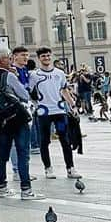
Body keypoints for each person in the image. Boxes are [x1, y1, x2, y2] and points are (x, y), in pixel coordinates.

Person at [0, 49, 42, 201]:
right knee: (23, 153)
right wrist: (16, 78)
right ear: (3, 60)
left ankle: (1, 188)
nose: (11, 60)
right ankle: (26, 190)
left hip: (2, 120)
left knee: (3, 155)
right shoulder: (9, 75)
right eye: (9, 58)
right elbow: (24, 94)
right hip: (17, 118)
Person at [32, 47, 79, 179]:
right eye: (43, 56)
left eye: (48, 56)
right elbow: (29, 91)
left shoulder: (59, 73)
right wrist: (34, 105)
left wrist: (72, 105)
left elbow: (64, 90)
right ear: (39, 58)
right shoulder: (35, 75)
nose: (46, 58)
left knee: (65, 139)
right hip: (43, 112)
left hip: (59, 111)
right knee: (44, 141)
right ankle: (48, 168)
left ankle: (70, 168)